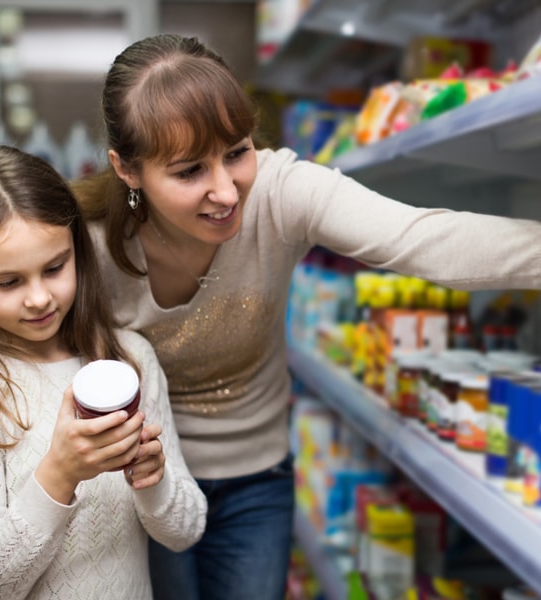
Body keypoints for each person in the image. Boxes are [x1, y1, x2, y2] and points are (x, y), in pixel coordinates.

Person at [72, 33, 541, 600]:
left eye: (237, 151)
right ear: (127, 170)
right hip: (141, 483)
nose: (225, 191)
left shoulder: (279, 191)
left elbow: (422, 238)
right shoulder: (89, 247)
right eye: (190, 170)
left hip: (257, 480)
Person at [0, 144, 207, 600]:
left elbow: (186, 530)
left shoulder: (131, 361)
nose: (40, 297)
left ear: (77, 251)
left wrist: (153, 482)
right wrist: (59, 474)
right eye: (9, 282)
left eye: (55, 267)